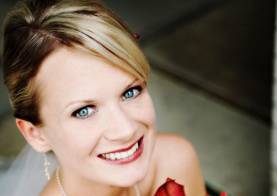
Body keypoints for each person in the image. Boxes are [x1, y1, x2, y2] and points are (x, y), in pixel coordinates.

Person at [0, 0, 206, 195]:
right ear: (36, 134)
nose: (125, 130)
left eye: (130, 92)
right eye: (83, 111)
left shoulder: (175, 160)